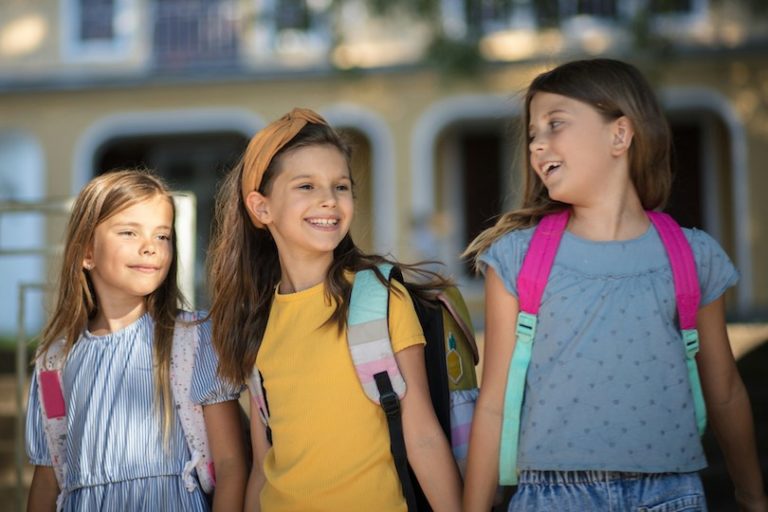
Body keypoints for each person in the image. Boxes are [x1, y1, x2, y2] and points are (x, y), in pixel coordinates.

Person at [462, 58, 767, 511]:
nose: (537, 144)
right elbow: (493, 405)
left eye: (555, 124)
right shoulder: (517, 258)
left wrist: (752, 495)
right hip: (552, 496)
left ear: (620, 135)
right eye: (533, 133)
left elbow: (724, 390)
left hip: (672, 494)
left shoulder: (693, 256)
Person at [207, 108, 462, 512]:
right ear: (261, 208)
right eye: (306, 186)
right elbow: (263, 467)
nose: (329, 200)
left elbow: (424, 438)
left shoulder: (378, 298)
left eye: (341, 186)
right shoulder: (257, 320)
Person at [25, 170, 248, 511]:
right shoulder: (52, 365)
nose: (150, 247)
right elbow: (47, 478)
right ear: (86, 252)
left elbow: (231, 465)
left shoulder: (194, 339)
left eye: (162, 235)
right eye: (129, 232)